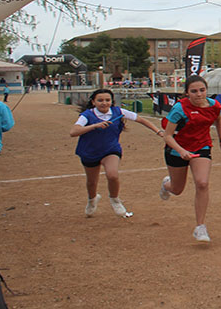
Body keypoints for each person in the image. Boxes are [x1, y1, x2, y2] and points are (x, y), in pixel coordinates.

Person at [159, 76, 221, 243]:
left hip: (202, 147)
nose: (199, 94)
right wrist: (181, 150)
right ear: (187, 93)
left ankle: (200, 227)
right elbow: (167, 135)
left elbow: (218, 119)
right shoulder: (179, 109)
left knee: (202, 183)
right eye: (194, 91)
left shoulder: (213, 105)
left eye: (202, 90)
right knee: (177, 189)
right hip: (176, 149)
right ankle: (166, 184)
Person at [69, 89, 162, 218]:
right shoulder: (87, 115)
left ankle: (115, 199)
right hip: (89, 152)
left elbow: (141, 120)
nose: (104, 103)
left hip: (110, 150)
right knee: (91, 182)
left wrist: (158, 132)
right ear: (93, 102)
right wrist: (95, 126)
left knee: (112, 175)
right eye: (100, 100)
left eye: (107, 100)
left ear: (112, 101)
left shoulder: (118, 112)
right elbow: (73, 132)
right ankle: (92, 200)